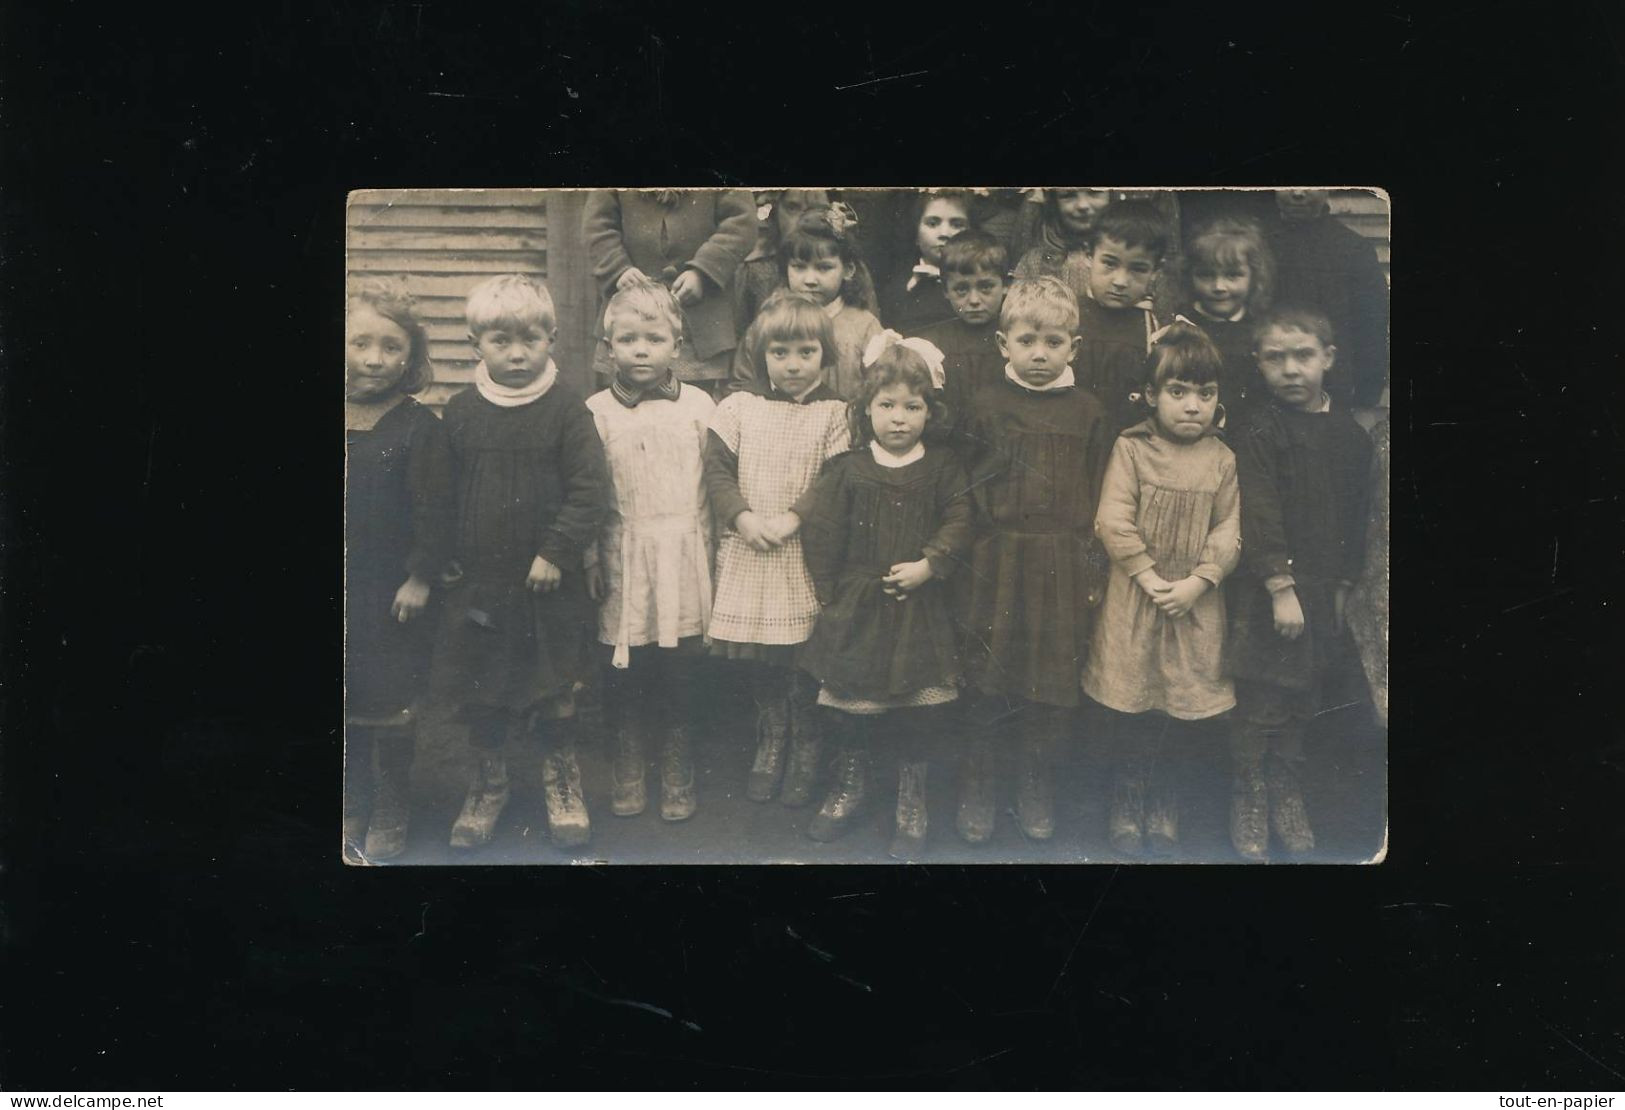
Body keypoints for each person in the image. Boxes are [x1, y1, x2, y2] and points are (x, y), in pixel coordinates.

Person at [432, 275, 609, 851]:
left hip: (546, 583)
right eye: (500, 341)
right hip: (481, 585)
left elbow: (590, 491)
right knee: (483, 689)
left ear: (552, 338)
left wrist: (556, 551)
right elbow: (439, 494)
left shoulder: (567, 410)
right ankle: (488, 786)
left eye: (530, 340)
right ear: (473, 344)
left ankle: (563, 784)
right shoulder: (459, 413)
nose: (516, 353)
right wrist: (446, 559)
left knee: (555, 686)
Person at [798, 333, 971, 858]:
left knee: (917, 711)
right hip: (860, 608)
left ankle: (911, 798)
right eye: (887, 405)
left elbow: (961, 519)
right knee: (852, 707)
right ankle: (851, 785)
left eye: (912, 407)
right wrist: (831, 596)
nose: (899, 418)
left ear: (930, 411)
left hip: (919, 605)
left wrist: (930, 565)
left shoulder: (943, 467)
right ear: (866, 409)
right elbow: (822, 533)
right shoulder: (847, 469)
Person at [955, 277, 1112, 844]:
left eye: (1052, 341)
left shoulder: (1088, 412)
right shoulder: (985, 406)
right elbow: (964, 486)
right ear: (1003, 344)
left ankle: (1035, 779)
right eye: (1026, 341)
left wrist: (1092, 568)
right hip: (995, 560)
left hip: (1060, 563)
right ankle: (980, 780)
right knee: (987, 673)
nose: (1039, 354)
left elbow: (1098, 490)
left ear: (1074, 346)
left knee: (1050, 674)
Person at [1082, 321, 1241, 855]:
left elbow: (1229, 530)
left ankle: (1164, 797)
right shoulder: (1131, 449)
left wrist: (1198, 583)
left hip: (1193, 603)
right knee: (1135, 703)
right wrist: (1150, 577)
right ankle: (1130, 795)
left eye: (1205, 393)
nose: (1192, 406)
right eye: (1177, 392)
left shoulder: (1222, 459)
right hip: (1137, 595)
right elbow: (1113, 518)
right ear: (1151, 396)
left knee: (1178, 702)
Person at [1225, 306, 1374, 860]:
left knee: (1302, 700)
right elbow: (1258, 512)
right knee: (1262, 697)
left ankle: (1286, 789)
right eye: (1276, 358)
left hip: (1320, 589)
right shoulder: (1258, 429)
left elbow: (1355, 517)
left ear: (1328, 359)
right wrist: (1278, 586)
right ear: (1259, 365)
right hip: (1270, 591)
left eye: (1304, 356)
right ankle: (1250, 793)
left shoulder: (1350, 438)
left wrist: (1339, 587)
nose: (1291, 370)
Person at [705, 292, 851, 807]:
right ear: (762, 353)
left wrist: (793, 518)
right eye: (780, 352)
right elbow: (717, 470)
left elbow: (834, 478)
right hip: (750, 546)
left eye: (806, 352)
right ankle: (771, 738)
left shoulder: (836, 413)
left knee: (800, 657)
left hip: (799, 551)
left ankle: (806, 744)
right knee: (761, 658)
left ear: (825, 355)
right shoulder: (740, 407)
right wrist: (742, 517)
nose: (793, 364)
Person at [584, 281, 716, 822]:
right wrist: (592, 556)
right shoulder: (595, 411)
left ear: (677, 346)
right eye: (629, 339)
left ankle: (677, 762)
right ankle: (629, 759)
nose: (642, 349)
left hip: (687, 551)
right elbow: (587, 492)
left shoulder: (702, 406)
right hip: (625, 551)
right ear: (609, 347)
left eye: (654, 338)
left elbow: (719, 482)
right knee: (626, 663)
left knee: (680, 665)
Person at [343, 278, 452, 863]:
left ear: (411, 357)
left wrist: (420, 577)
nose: (375, 359)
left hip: (388, 592)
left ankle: (391, 799)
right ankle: (352, 797)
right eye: (361, 343)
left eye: (392, 347)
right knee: (344, 698)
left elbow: (436, 514)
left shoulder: (418, 427)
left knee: (389, 699)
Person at [583, 188, 756, 390]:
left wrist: (703, 272)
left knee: (693, 405)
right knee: (623, 402)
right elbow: (597, 225)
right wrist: (618, 270)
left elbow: (741, 222)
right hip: (629, 308)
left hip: (698, 320)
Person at [728, 204, 882, 400]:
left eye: (824, 268)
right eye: (799, 267)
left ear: (848, 270)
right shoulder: (770, 319)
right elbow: (742, 381)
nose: (810, 279)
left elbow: (880, 388)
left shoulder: (865, 326)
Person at [1264, 189, 1389, 409]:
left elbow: (1371, 328)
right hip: (1267, 390)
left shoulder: (1353, 249)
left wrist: (1366, 397)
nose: (1298, 192)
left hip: (1332, 392)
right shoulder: (1258, 244)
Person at [1075, 200, 1169, 435]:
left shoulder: (1155, 330)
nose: (1120, 281)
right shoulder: (1067, 314)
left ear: (1155, 271)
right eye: (1109, 263)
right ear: (1088, 255)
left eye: (1137, 269)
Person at [1180, 216, 1277, 430]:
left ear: (1254, 277)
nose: (1219, 286)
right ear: (1189, 276)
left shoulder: (1261, 331)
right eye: (1206, 275)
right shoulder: (1180, 327)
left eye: (1233, 275)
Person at [913, 230, 1010, 439]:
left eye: (985, 287)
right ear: (946, 290)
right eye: (961, 289)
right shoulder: (932, 345)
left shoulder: (1015, 340)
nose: (974, 300)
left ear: (1006, 285)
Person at [876, 190, 972, 333]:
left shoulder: (979, 288)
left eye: (957, 225)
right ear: (916, 234)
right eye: (933, 223)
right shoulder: (897, 289)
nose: (944, 233)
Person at [1012, 188, 1114, 300]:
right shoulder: (1036, 260)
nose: (1082, 205)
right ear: (1054, 204)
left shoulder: (1128, 253)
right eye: (1069, 195)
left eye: (1094, 192)